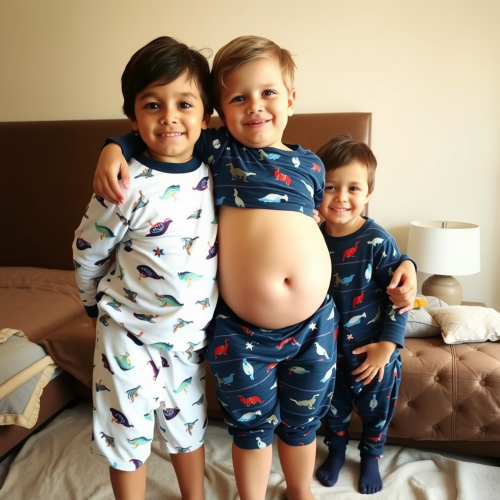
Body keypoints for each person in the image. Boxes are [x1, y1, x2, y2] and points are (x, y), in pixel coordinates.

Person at [91, 36, 417, 500]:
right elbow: (167, 131)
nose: (255, 106)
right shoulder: (219, 150)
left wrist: (405, 262)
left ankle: (299, 490)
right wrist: (114, 146)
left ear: (291, 99)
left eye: (267, 93)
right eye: (238, 98)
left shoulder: (312, 165)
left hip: (314, 325)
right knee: (251, 426)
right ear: (218, 113)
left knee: (303, 422)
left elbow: (346, 225)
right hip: (242, 331)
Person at [72, 37, 217, 500]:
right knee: (126, 437)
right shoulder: (123, 184)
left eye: (184, 104)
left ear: (206, 116)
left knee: (189, 427)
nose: (169, 116)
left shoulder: (221, 170)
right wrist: (90, 305)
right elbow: (87, 251)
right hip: (126, 333)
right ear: (133, 117)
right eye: (152, 105)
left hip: (189, 336)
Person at [315, 134, 411, 495]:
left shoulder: (377, 240)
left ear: (368, 192)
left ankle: (371, 456)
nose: (341, 197)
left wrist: (388, 346)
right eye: (330, 187)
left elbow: (399, 299)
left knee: (376, 411)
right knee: (333, 409)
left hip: (374, 350)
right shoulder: (310, 236)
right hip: (327, 351)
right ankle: (337, 451)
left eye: (353, 188)